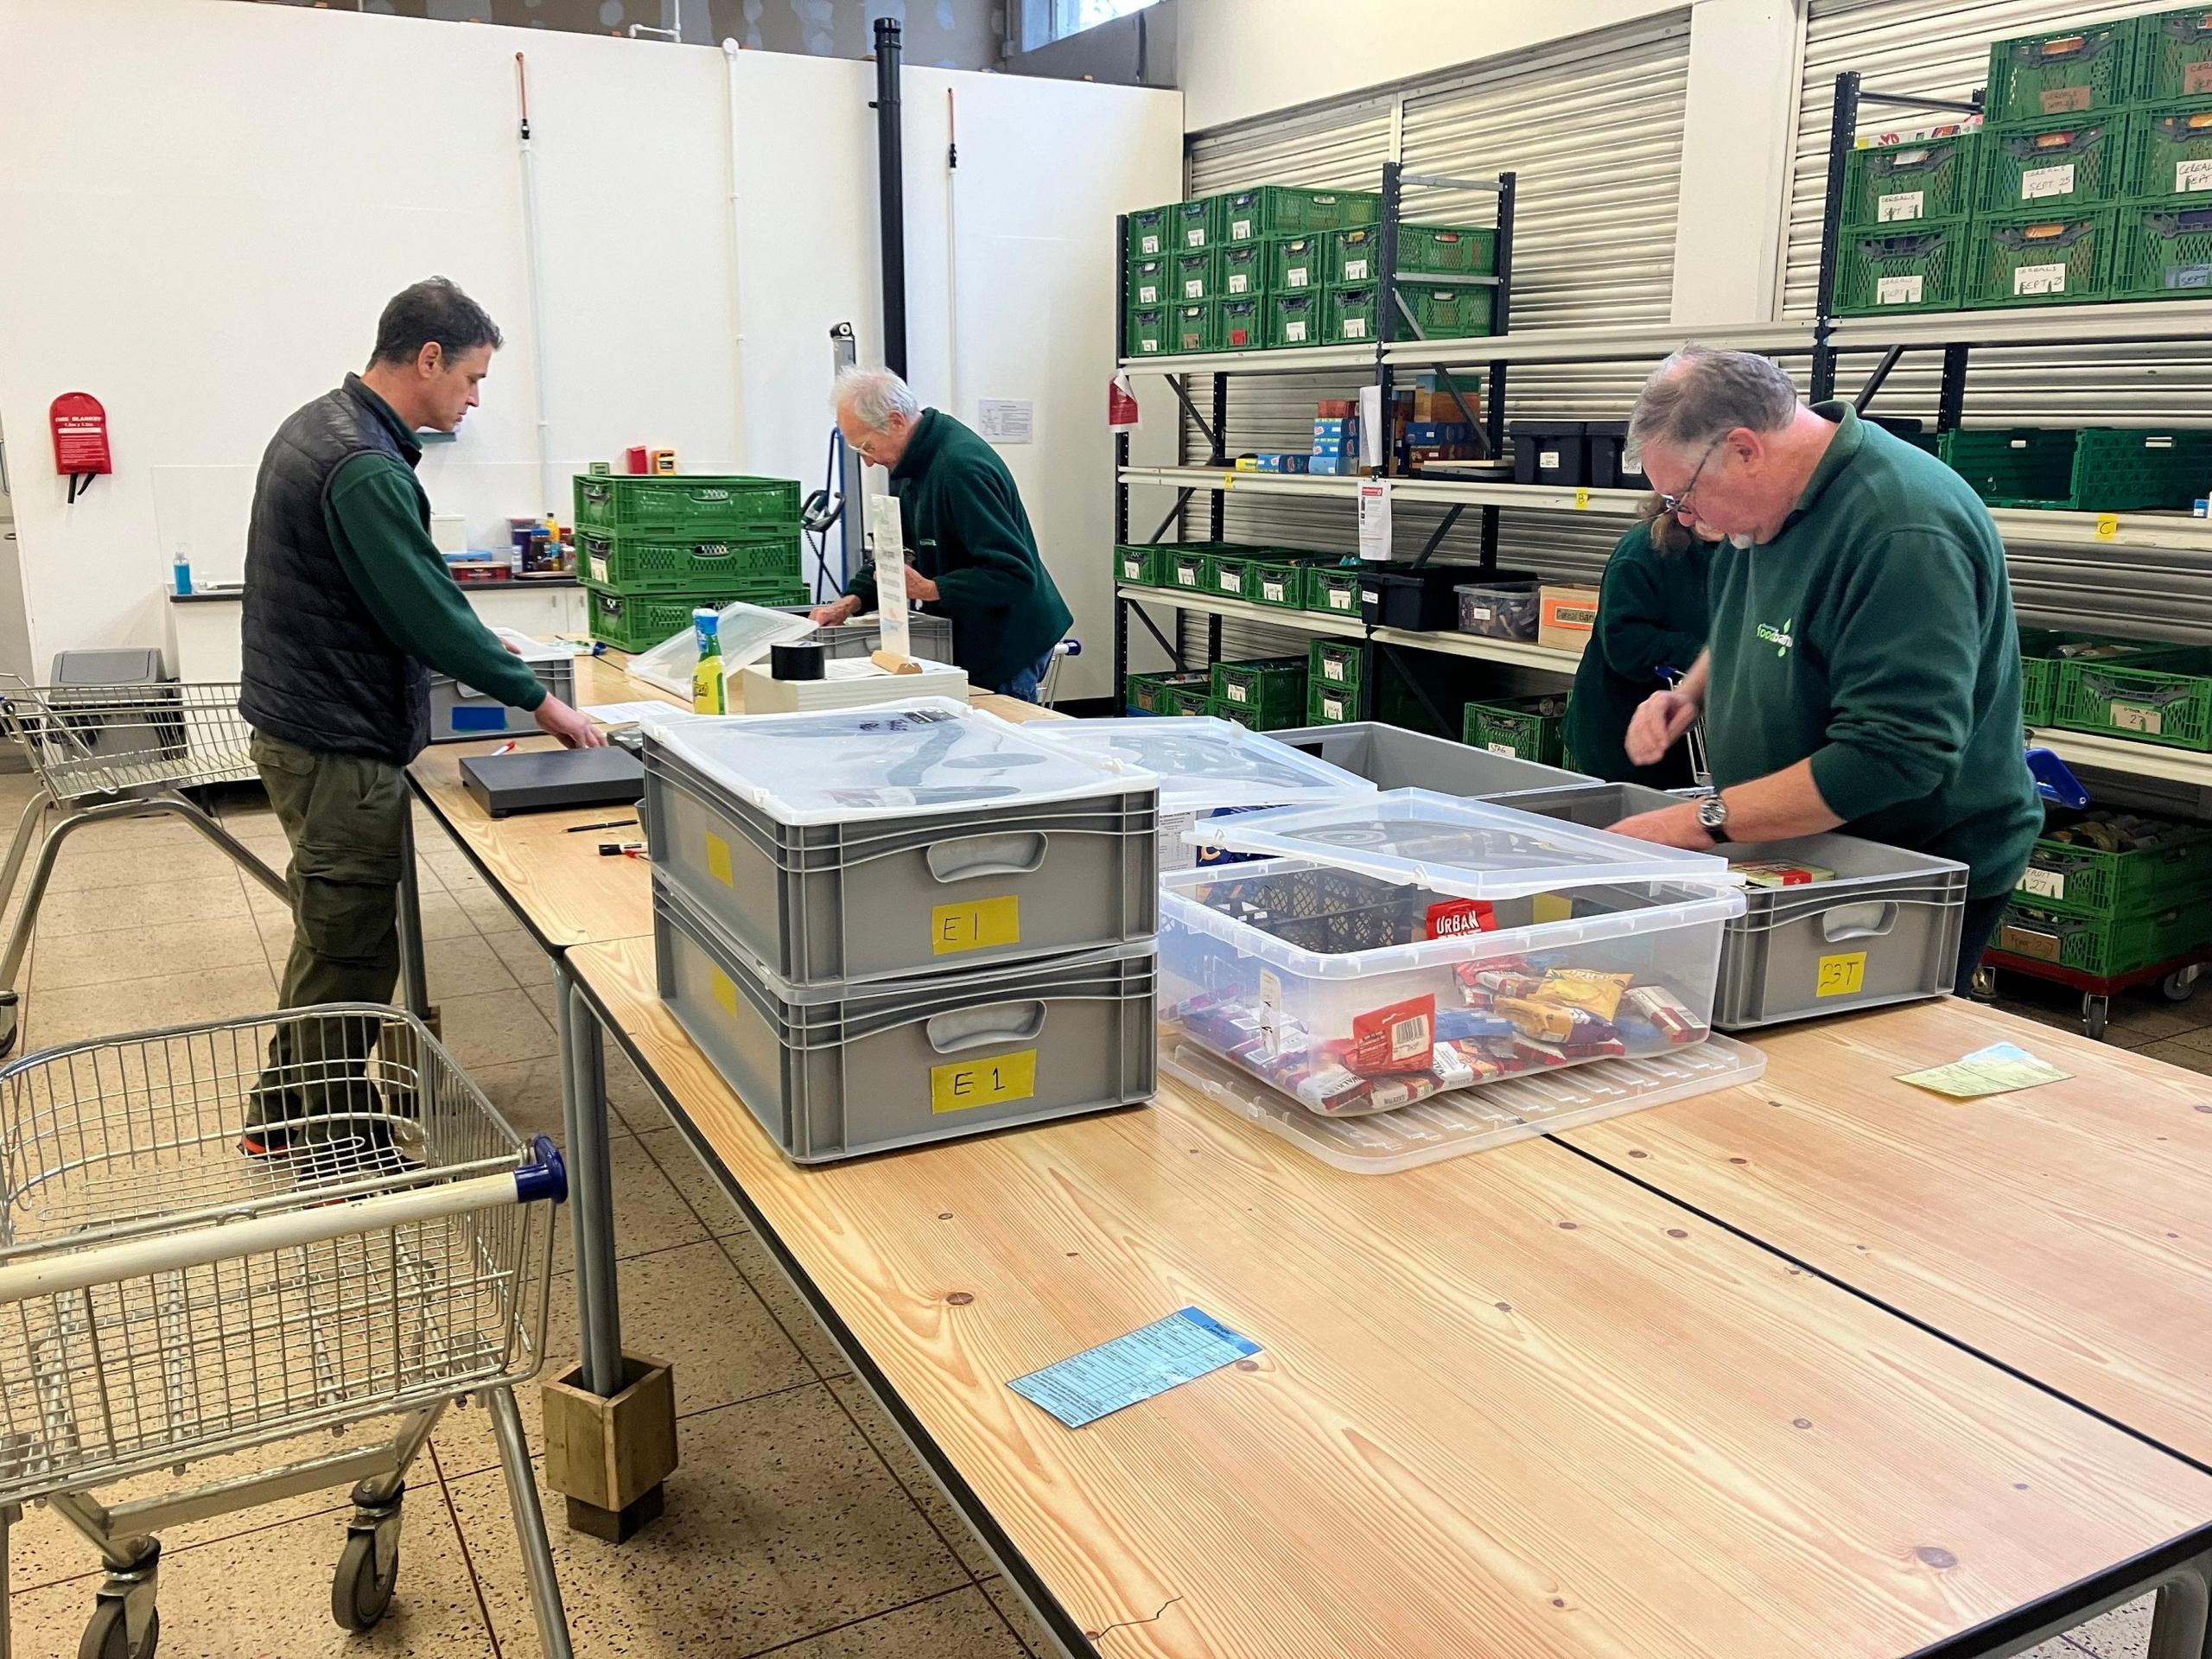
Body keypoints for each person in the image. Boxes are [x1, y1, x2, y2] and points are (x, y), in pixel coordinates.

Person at [238, 276, 604, 1154]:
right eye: (472, 378)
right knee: (350, 942)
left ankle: (296, 1108)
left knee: (339, 934)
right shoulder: (361, 463)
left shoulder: (328, 425)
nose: (476, 399)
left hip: (310, 722)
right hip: (333, 740)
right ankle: (309, 1126)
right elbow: (424, 612)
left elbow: (408, 590)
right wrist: (541, 701)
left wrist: (486, 647)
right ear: (428, 358)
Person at [1608, 344, 2041, 993]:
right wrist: (1694, 691)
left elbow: (1892, 755)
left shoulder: (1902, 531)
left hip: (1907, 874)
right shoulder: (1766, 511)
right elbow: (1753, 617)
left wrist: (1696, 822)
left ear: (1745, 449)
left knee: (1850, 1078)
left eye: (1684, 496)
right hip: (1800, 849)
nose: (1686, 521)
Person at [810, 365, 1072, 701]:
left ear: (895, 421)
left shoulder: (959, 469)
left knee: (996, 744)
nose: (868, 462)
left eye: (866, 446)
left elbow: (1014, 574)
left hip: (1008, 642)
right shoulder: (917, 464)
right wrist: (852, 600)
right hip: (970, 634)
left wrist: (933, 588)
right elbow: (898, 547)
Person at [1563, 499, 1715, 788]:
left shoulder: (1740, 546)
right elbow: (1624, 642)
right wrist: (1698, 653)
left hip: (1690, 736)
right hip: (1622, 733)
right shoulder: (1643, 550)